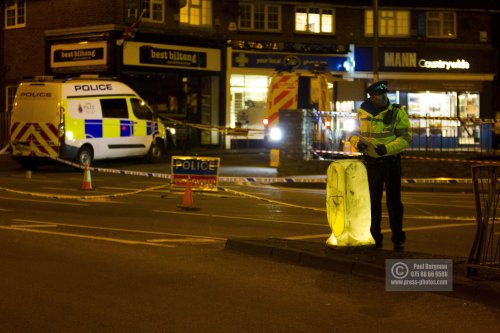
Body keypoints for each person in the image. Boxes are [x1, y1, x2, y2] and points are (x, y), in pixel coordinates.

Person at [349, 81, 412, 251]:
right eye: (380, 95)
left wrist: (387, 148)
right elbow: (353, 134)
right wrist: (357, 143)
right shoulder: (362, 112)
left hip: (391, 162)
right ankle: (374, 235)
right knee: (372, 202)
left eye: (385, 94)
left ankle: (398, 235)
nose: (384, 97)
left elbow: (406, 138)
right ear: (372, 97)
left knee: (394, 202)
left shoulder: (397, 112)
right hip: (372, 163)